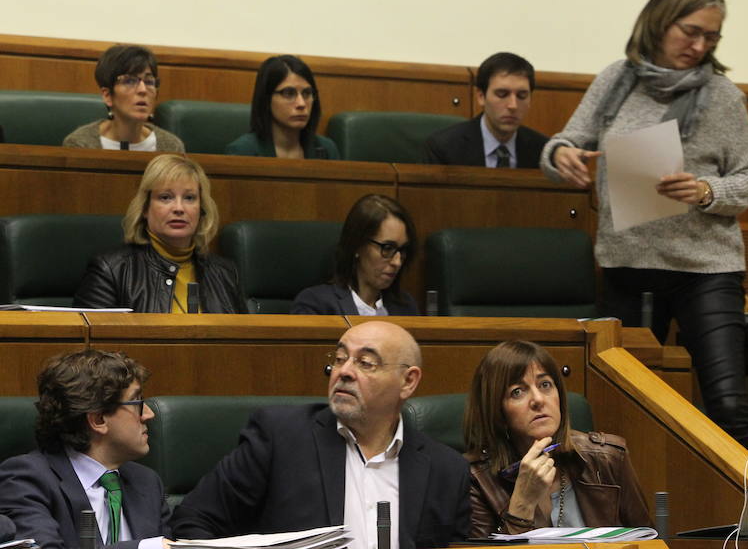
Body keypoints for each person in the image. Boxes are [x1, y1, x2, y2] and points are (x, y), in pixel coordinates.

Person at [540, 0, 748, 450]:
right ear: (659, 22)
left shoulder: (723, 95)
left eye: (712, 36)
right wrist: (561, 155)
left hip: (706, 269)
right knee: (622, 404)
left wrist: (705, 190)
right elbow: (564, 143)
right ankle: (633, 519)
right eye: (690, 31)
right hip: (628, 266)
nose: (699, 45)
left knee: (727, 404)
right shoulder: (616, 80)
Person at [172, 320, 470, 548]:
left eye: (366, 362)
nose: (345, 371)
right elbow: (193, 521)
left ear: (408, 381)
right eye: (340, 358)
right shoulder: (279, 438)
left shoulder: (446, 469)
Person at [464, 340, 650, 536]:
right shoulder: (475, 480)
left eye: (545, 385)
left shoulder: (608, 458)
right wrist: (522, 505)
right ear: (496, 411)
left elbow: (649, 542)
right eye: (517, 392)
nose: (538, 399)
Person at [0, 349, 171, 549]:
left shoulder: (147, 483)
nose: (149, 414)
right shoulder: (27, 480)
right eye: (138, 403)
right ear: (98, 420)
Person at [73, 153, 247, 313]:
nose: (179, 208)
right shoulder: (112, 270)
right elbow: (91, 344)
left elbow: (245, 342)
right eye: (165, 197)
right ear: (145, 208)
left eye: (189, 198)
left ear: (201, 209)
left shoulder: (225, 273)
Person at [290, 194, 419, 315]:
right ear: (358, 245)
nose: (397, 262)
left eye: (402, 250)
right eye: (387, 248)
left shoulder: (405, 307)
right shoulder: (316, 304)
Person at [425, 52, 548, 168]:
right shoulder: (444, 147)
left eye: (522, 96)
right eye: (502, 94)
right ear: (481, 97)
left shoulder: (543, 151)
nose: (513, 105)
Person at [63, 45, 184, 153]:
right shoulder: (80, 145)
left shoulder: (171, 148)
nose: (143, 90)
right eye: (130, 81)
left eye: (148, 81)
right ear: (108, 95)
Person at [225, 55, 339, 159]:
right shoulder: (243, 152)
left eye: (307, 93)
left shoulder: (327, 149)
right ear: (267, 99)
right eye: (289, 93)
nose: (301, 103)